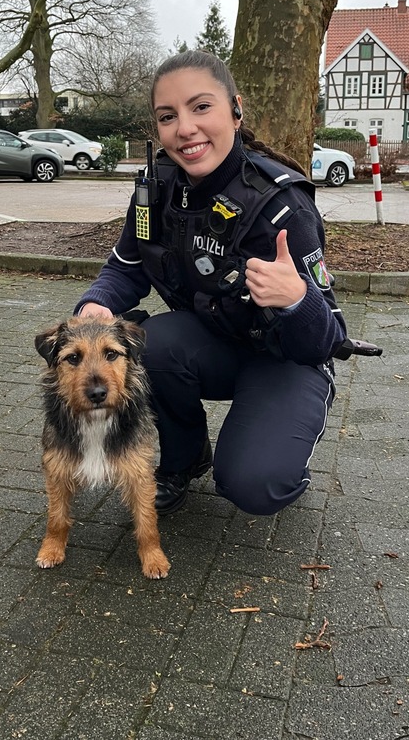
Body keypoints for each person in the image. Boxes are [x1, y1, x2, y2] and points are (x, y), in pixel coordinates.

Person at [75, 49, 348, 517]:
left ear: (235, 109)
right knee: (149, 343)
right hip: (214, 343)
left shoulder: (282, 205)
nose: (184, 129)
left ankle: (278, 448)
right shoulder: (154, 188)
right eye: (168, 116)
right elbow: (126, 265)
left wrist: (297, 299)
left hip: (285, 358)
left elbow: (327, 338)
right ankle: (184, 459)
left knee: (254, 484)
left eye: (201, 107)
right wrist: (97, 304)